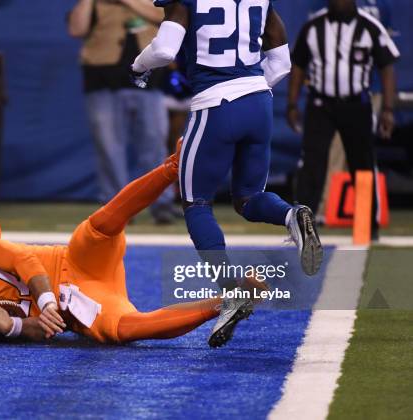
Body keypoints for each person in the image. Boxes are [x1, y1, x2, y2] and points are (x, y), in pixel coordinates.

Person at [0, 142, 265, 345]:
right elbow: (36, 334)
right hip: (78, 310)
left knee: (96, 229)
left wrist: (43, 302)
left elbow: (22, 256)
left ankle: (172, 167)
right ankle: (226, 304)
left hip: (71, 264)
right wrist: (10, 327)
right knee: (122, 331)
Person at [130, 0, 323, 346]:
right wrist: (248, 88)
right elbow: (281, 62)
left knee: (196, 204)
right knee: (249, 198)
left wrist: (137, 65)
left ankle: (232, 291)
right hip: (258, 102)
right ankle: (293, 215)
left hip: (215, 105)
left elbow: (164, 49)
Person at [287, 0, 400, 240]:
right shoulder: (313, 26)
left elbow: (387, 66)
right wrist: (292, 103)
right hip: (321, 105)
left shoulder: (370, 27)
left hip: (356, 104)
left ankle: (368, 226)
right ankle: (304, 229)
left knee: (363, 164)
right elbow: (298, 65)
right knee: (312, 166)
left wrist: (388, 109)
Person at [67, 0, 176, 225]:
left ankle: (161, 205)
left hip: (149, 80)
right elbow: (76, 28)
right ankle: (115, 207)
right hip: (102, 80)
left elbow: (164, 17)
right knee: (109, 147)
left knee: (154, 144)